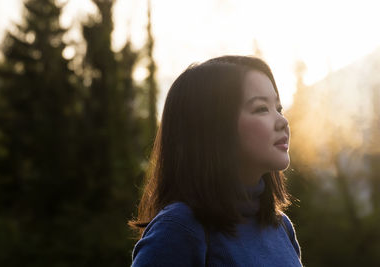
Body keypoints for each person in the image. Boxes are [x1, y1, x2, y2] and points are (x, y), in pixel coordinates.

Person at [128, 55, 303, 266]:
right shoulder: (179, 228)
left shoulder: (281, 226)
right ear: (214, 128)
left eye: (279, 108)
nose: (282, 121)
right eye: (261, 109)